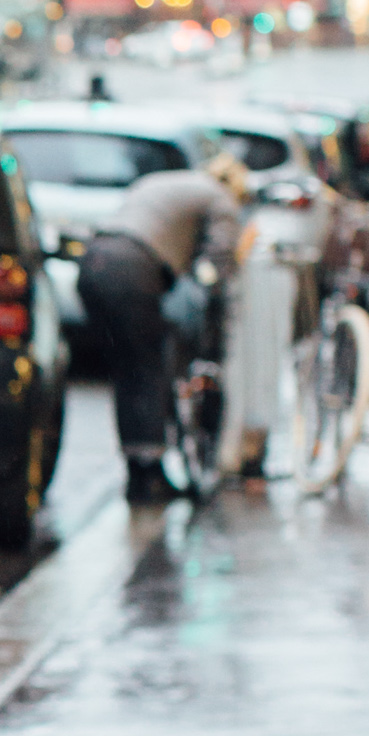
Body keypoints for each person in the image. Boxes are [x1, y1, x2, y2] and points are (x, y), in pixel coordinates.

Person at [77, 154, 246, 503]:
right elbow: (220, 259)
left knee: (128, 369)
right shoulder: (221, 199)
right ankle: (150, 476)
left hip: (93, 261)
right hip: (133, 269)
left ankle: (137, 470)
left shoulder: (167, 181)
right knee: (148, 367)